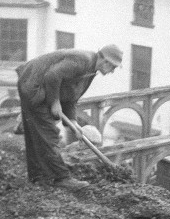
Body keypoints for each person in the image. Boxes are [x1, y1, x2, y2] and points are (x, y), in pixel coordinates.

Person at [16, 45, 123, 190]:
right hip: (33, 86)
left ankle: (37, 177)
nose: (112, 71)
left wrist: (73, 123)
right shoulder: (82, 61)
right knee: (49, 135)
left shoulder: (91, 70)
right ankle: (61, 178)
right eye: (113, 68)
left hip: (36, 85)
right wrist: (54, 102)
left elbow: (72, 95)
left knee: (36, 133)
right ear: (106, 62)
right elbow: (52, 75)